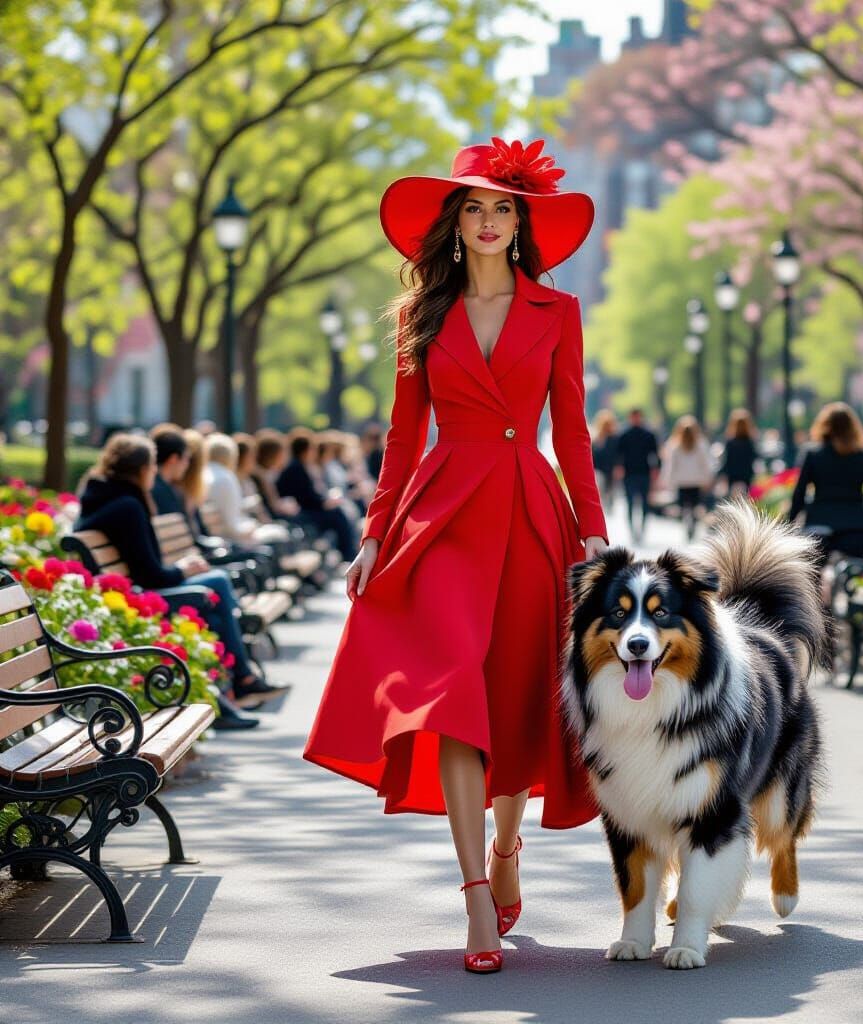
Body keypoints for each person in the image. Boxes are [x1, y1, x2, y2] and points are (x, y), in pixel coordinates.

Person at [303, 136, 609, 974]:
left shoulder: (559, 313)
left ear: (521, 222)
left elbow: (573, 432)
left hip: (530, 513)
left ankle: (508, 848)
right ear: (454, 221)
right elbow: (403, 438)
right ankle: (476, 891)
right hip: (439, 517)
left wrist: (596, 534)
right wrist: (373, 536)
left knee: (515, 695)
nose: (487, 221)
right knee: (452, 695)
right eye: (472, 207)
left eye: (502, 207)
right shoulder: (420, 316)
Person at [74, 434, 289, 722]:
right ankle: (240, 681)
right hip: (138, 598)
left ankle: (233, 689)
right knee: (216, 584)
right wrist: (185, 569)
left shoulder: (109, 497)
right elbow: (153, 576)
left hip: (130, 591)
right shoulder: (128, 506)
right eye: (151, 469)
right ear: (141, 470)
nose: (154, 475)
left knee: (214, 605)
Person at [786, 401, 863, 564]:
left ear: (824, 426)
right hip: (855, 530)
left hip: (819, 526)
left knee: (814, 576)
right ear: (853, 427)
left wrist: (789, 524)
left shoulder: (812, 455)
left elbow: (799, 494)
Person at [276, 428, 356, 560]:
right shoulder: (296, 469)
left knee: (339, 512)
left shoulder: (298, 466)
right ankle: (348, 555)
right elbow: (306, 498)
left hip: (304, 510)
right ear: (305, 450)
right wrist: (325, 503)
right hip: (300, 514)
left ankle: (347, 553)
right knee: (338, 515)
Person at [203, 432, 290, 545]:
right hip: (232, 541)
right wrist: (253, 525)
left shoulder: (206, 475)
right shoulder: (227, 478)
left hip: (220, 538)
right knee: (280, 533)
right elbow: (233, 525)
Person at [658, 414, 714, 544]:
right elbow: (706, 463)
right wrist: (708, 478)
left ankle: (687, 519)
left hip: (681, 481)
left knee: (684, 505)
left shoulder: (674, 444)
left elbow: (670, 465)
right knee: (694, 504)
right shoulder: (701, 444)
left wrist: (667, 480)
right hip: (696, 480)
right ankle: (692, 522)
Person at [616, 407, 661, 544]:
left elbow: (655, 454)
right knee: (630, 503)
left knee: (644, 504)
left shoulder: (648, 435)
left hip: (644, 473)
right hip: (629, 474)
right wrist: (618, 468)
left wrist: (656, 469)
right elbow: (618, 454)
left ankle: (641, 529)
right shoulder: (624, 435)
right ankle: (632, 530)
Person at [148, 423, 191, 517]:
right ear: (173, 459)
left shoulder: (156, 486)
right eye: (186, 458)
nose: (187, 465)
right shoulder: (159, 491)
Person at [718, 408, 760, 496]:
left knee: (732, 499)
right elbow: (754, 457)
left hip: (732, 475)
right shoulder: (750, 442)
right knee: (747, 498)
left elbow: (727, 460)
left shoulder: (730, 442)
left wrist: (721, 473)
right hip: (746, 474)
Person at [591, 408, 620, 512]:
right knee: (601, 491)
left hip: (610, 469)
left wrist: (618, 467)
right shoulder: (596, 438)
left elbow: (618, 455)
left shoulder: (615, 439)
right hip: (598, 470)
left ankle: (608, 507)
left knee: (610, 492)